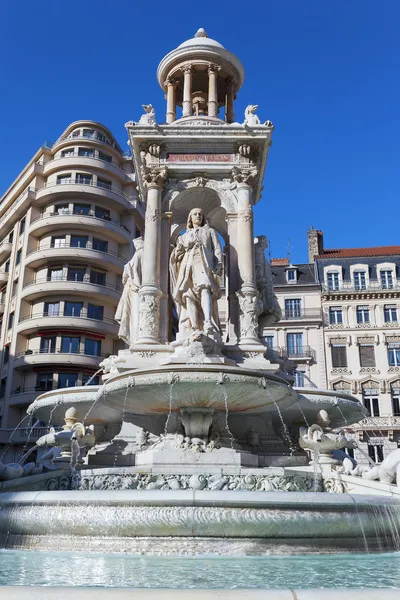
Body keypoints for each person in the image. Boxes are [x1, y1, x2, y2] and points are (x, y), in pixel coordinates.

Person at [170, 208, 223, 337]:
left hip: (203, 263)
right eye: (195, 214)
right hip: (187, 265)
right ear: (190, 218)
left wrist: (219, 264)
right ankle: (194, 327)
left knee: (205, 288)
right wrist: (179, 250)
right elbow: (176, 255)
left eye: (200, 214)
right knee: (188, 295)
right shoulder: (183, 236)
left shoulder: (210, 232)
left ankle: (208, 322)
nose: (198, 216)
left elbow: (217, 249)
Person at [115, 237, 144, 345]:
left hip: (133, 288)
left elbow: (134, 270)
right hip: (133, 288)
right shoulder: (139, 254)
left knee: (132, 314)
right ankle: (134, 338)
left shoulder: (138, 254)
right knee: (133, 315)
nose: (136, 247)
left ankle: (134, 338)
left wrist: (137, 284)